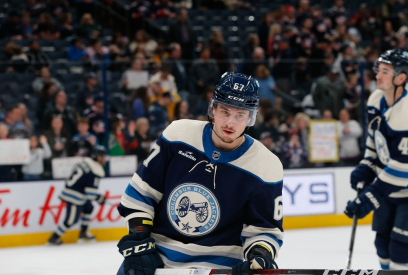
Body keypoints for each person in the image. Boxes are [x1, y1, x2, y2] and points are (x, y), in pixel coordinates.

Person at [115, 72, 283, 275]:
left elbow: (264, 229)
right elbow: (142, 194)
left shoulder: (266, 165)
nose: (230, 123)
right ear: (213, 108)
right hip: (155, 261)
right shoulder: (178, 134)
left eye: (240, 115)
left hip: (218, 269)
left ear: (250, 117)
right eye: (225, 111)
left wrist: (260, 254)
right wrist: (139, 243)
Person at [344, 49, 408, 270]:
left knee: (401, 248)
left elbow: (402, 169)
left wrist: (370, 197)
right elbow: (375, 142)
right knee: (382, 244)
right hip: (391, 183)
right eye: (378, 70)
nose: (378, 76)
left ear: (401, 78)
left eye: (386, 71)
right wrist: (367, 166)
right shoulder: (376, 99)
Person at [48, 145, 108, 245]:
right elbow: (90, 193)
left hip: (73, 192)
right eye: (104, 157)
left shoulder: (85, 162)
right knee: (71, 220)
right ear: (99, 157)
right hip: (75, 196)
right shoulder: (95, 170)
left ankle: (83, 232)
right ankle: (55, 237)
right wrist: (99, 198)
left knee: (88, 207)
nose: (106, 159)